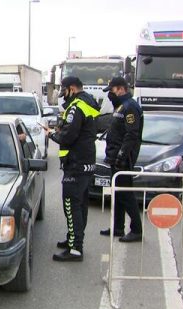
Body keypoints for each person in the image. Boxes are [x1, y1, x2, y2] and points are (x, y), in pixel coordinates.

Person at [42, 76, 99, 261]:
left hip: (76, 164)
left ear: (72, 89)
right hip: (85, 161)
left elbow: (69, 136)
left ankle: (75, 249)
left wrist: (51, 134)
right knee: (80, 205)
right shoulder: (88, 103)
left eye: (64, 90)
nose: (62, 94)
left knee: (71, 205)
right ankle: (73, 240)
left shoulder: (76, 106)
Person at [99, 77, 144, 242]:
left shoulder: (130, 107)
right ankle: (118, 227)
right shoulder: (120, 106)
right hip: (115, 156)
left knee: (126, 194)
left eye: (111, 91)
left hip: (123, 159)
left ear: (120, 89)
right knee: (117, 194)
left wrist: (121, 156)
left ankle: (136, 230)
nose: (110, 95)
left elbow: (131, 135)